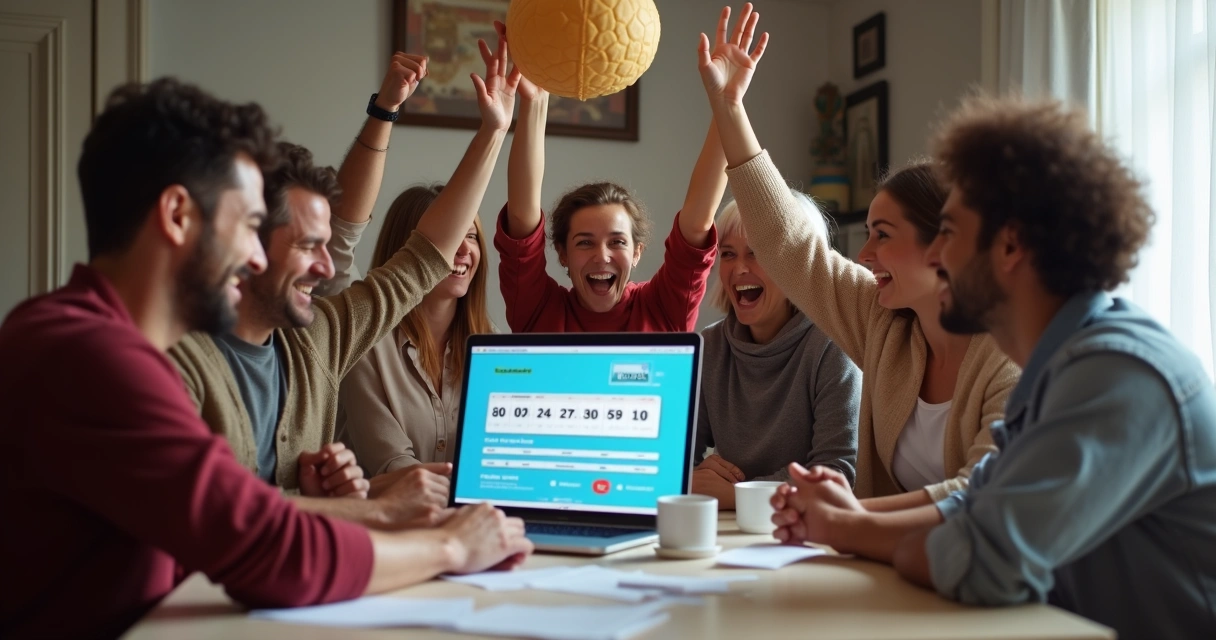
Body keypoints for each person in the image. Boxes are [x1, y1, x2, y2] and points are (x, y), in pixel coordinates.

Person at [0, 77, 531, 639]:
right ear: (178, 215)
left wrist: (342, 506)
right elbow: (268, 548)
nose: (256, 256)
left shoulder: (105, 342)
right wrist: (449, 543)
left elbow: (239, 520)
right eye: (251, 226)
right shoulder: (91, 357)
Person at [768, 94, 1216, 640]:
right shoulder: (1059, 371)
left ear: (1010, 245)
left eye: (950, 233)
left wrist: (847, 526)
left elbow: (976, 559)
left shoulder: (1117, 375)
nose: (936, 257)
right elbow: (968, 510)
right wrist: (847, 524)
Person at [169, 43, 515, 527]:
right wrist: (369, 503)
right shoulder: (176, 358)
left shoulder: (318, 337)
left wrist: (494, 131)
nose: (327, 268)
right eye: (308, 247)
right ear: (248, 243)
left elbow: (425, 256)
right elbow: (206, 513)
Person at [696, 4, 1019, 509]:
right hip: (879, 563)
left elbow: (977, 495)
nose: (865, 254)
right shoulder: (882, 320)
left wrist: (851, 520)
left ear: (945, 243)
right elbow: (788, 243)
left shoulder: (1009, 354)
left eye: (883, 235)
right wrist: (728, 107)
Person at [494, 24, 726, 332]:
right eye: (584, 242)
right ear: (562, 253)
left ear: (637, 252)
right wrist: (536, 101)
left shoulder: (663, 308)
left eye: (617, 241)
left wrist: (728, 105)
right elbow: (522, 219)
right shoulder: (538, 309)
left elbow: (697, 224)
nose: (602, 256)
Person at [691, 196, 860, 508]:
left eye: (757, 253)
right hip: (731, 530)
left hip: (807, 534)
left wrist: (735, 494)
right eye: (728, 254)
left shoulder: (833, 346)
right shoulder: (711, 346)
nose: (739, 269)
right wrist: (691, 477)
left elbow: (835, 477)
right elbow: (676, 463)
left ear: (801, 263)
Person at [322, 184, 492, 476]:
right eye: (452, 236)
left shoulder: (495, 346)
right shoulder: (366, 338)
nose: (464, 249)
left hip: (472, 515)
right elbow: (392, 465)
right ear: (409, 252)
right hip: (384, 517)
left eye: (472, 236)